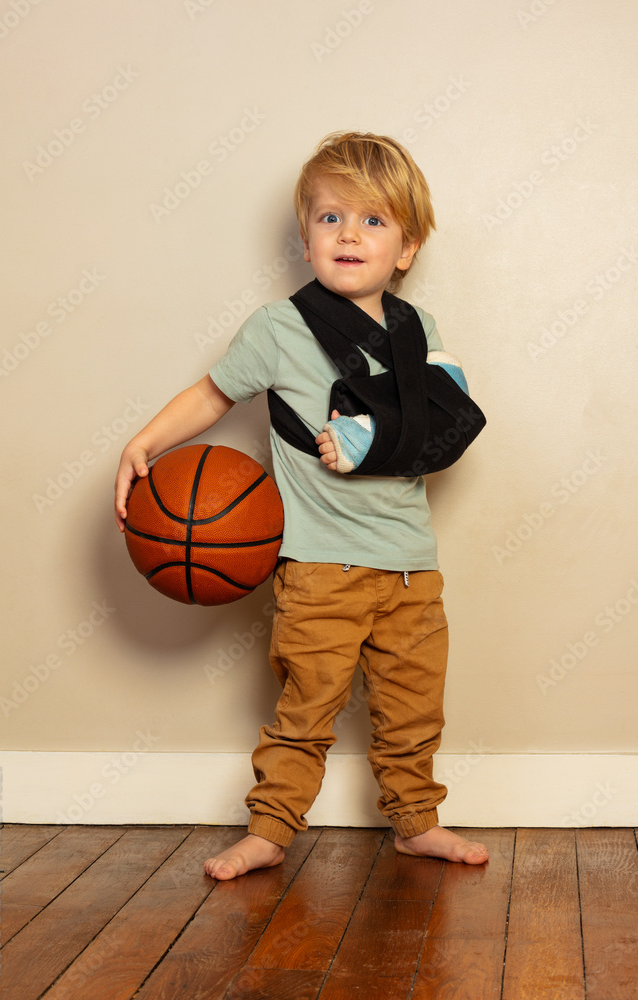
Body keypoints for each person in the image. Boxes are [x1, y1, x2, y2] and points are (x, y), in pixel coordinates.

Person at [114, 132, 489, 878]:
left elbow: (451, 421)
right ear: (305, 235)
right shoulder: (279, 328)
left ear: (406, 248)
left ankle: (415, 823)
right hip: (319, 570)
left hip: (412, 568)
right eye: (330, 218)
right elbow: (213, 393)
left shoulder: (419, 333)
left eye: (374, 221)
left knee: (412, 712)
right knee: (304, 713)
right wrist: (146, 441)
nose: (350, 234)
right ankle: (270, 831)